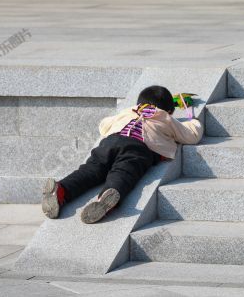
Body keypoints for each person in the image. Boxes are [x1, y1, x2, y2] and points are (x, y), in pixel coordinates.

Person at [41, 85, 203, 224]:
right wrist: (193, 119)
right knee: (124, 172)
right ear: (169, 110)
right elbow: (191, 135)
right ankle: (106, 198)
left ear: (139, 103)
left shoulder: (128, 111)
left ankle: (62, 189)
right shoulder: (165, 117)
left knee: (90, 170)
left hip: (111, 141)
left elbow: (104, 124)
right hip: (138, 148)